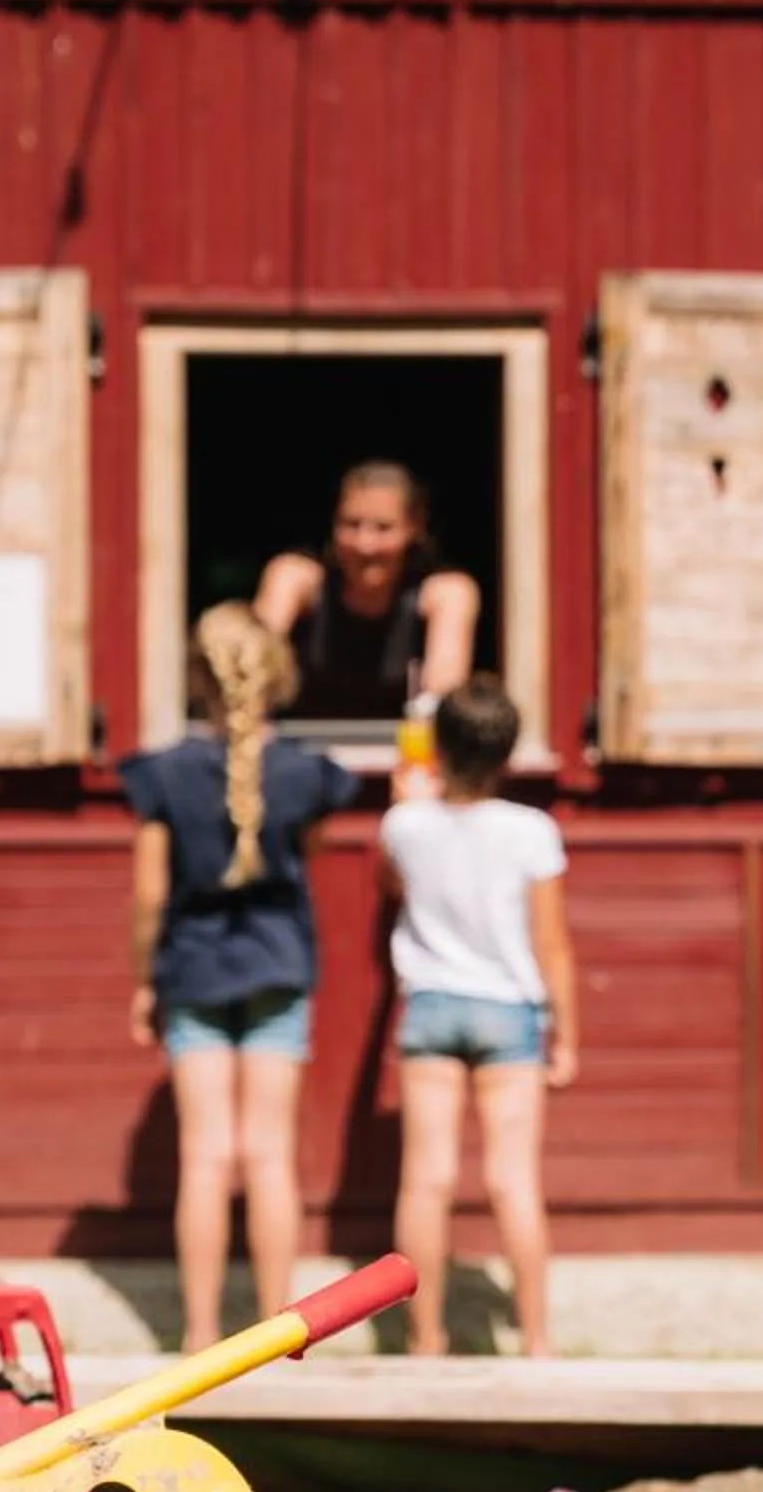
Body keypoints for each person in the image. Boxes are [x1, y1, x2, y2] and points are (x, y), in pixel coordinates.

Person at [123, 602, 359, 1343]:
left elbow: (150, 892)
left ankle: (197, 1333)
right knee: (269, 1153)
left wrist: (143, 980)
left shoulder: (165, 773)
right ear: (278, 676)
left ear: (199, 677)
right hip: (277, 965)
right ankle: (277, 1331)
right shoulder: (304, 774)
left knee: (204, 1155)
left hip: (193, 969)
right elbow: (312, 847)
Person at [376, 678, 579, 1358]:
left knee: (425, 1179)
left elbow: (389, 884)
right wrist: (568, 1036)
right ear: (509, 751)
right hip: (508, 1007)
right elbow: (550, 942)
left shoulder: (404, 823)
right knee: (511, 1178)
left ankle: (424, 1337)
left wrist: (412, 799)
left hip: (431, 1003)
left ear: (438, 747)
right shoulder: (532, 831)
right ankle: (539, 1339)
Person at [252, 460, 483, 744]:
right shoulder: (299, 580)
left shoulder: (444, 593)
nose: (365, 545)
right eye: (351, 525)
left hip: (402, 763)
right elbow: (246, 676)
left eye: (383, 528)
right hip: (300, 764)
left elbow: (442, 705)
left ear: (415, 527)